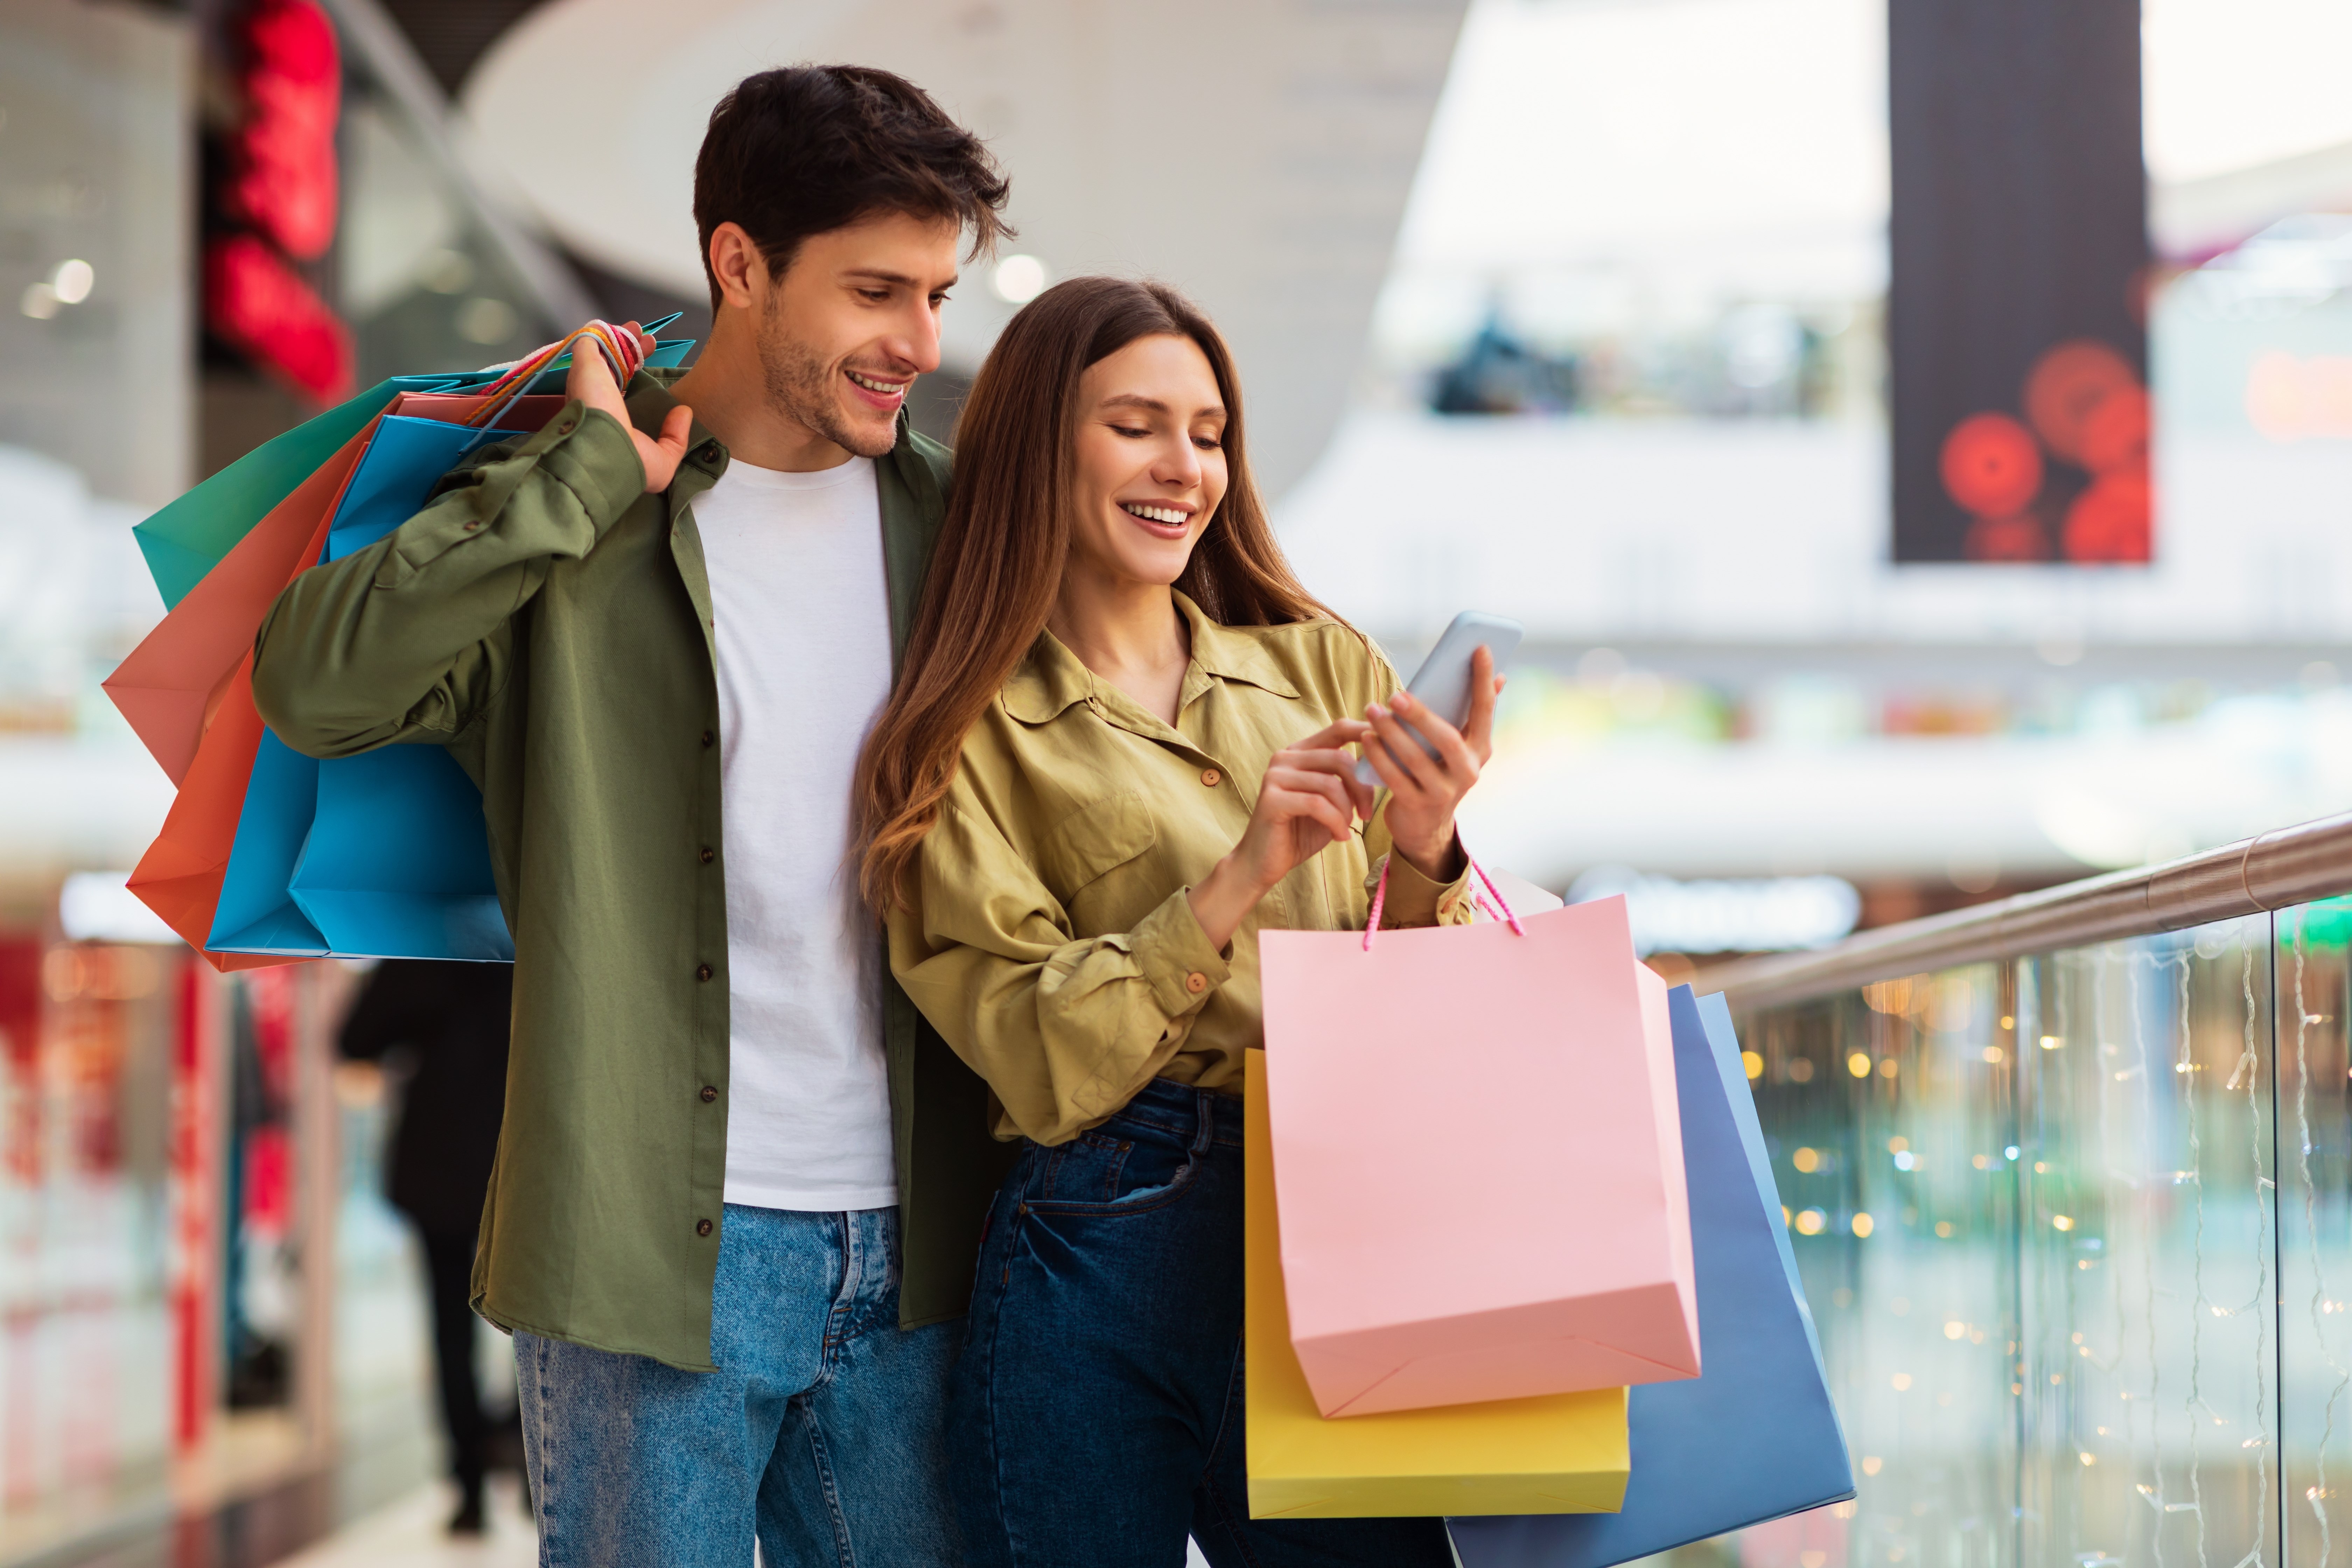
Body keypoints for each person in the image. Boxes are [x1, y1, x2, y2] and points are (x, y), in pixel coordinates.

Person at [251, 66, 1012, 1567]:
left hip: (927, 1246)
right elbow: (315, 685)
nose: (921, 344)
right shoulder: (569, 508)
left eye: (936, 293)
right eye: (877, 290)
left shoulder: (963, 531)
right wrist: (578, 480)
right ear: (740, 265)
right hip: (645, 1251)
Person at [855, 276, 1503, 1568]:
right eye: (1138, 425)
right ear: (1044, 442)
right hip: (1104, 1235)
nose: (1185, 467)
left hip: (1345, 1211)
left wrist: (1429, 851)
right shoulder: (956, 736)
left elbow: (1441, 1013)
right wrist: (1238, 873)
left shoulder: (1324, 668)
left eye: (1209, 433)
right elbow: (1036, 1059)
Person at [337, 959, 517, 1535]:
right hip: (521, 1162)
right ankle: (528, 1456)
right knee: (542, 1325)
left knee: (449, 1328)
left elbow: (353, 1040)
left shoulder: (424, 947)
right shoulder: (535, 932)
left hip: (438, 1164)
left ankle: (469, 1487)